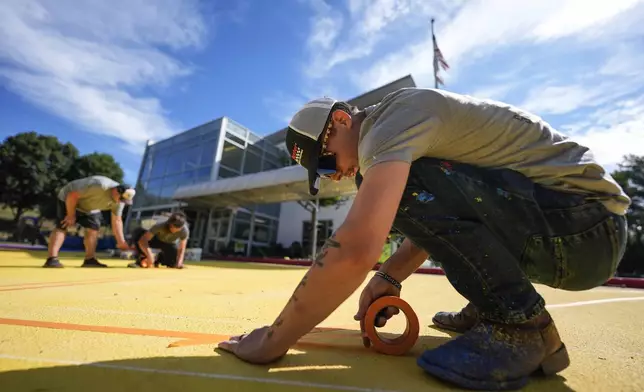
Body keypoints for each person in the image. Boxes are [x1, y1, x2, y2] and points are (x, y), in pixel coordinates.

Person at [215, 88, 630, 390]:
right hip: (581, 230)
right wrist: (391, 276)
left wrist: (274, 340)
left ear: (342, 121)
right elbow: (455, 214)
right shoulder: (403, 127)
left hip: (584, 226)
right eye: (322, 174)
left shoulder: (391, 122)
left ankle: (519, 325)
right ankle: (499, 309)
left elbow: (358, 247)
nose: (333, 174)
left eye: (325, 161)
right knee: (407, 184)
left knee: (402, 185)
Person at [43, 175, 136, 268]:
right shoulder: (100, 185)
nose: (121, 202)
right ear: (117, 191)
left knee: (94, 228)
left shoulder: (120, 201)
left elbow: (117, 220)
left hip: (90, 207)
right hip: (68, 198)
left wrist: (121, 242)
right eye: (121, 199)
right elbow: (73, 195)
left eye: (124, 201)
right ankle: (52, 259)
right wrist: (70, 215)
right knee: (63, 225)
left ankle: (89, 259)